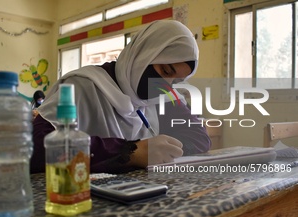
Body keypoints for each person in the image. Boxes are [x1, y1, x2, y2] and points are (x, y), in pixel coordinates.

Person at [31, 20, 211, 174]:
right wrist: (131, 152)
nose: (167, 85)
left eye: (176, 80)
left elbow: (199, 138)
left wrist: (167, 150)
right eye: (165, 71)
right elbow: (39, 146)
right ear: (144, 54)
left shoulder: (162, 96)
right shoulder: (82, 86)